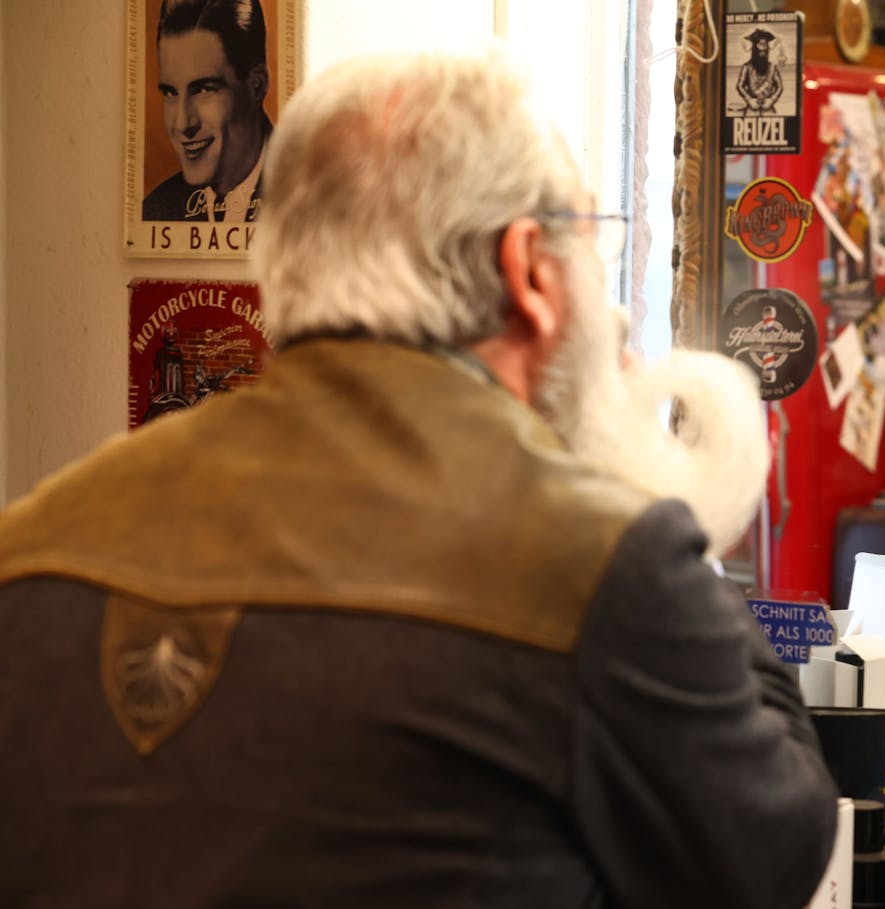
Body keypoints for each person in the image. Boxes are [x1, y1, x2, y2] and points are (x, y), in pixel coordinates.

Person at [0, 51, 838, 908]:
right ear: (532, 273)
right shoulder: (598, 561)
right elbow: (771, 852)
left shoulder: (33, 540)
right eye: (593, 245)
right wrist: (644, 486)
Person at [142, 0, 273, 222]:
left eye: (203, 89)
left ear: (256, 86)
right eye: (171, 93)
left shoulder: (307, 197)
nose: (183, 124)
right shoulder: (156, 211)